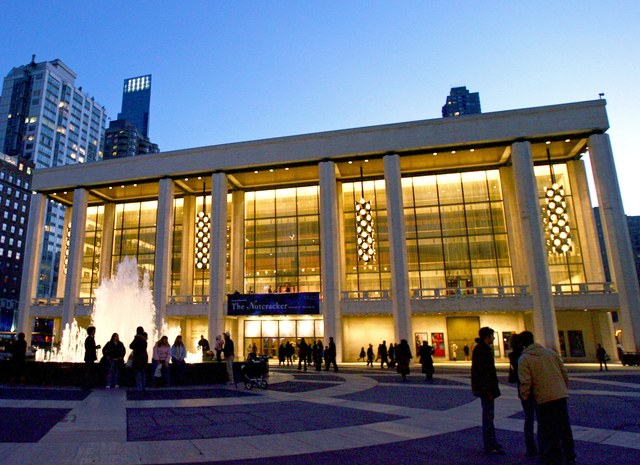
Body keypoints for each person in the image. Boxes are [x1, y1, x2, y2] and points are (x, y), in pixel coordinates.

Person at [518, 331, 576, 465]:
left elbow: (525, 382)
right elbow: (564, 373)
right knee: (564, 427)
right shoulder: (551, 353)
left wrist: (525, 397)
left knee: (546, 429)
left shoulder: (524, 358)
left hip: (543, 398)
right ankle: (569, 455)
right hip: (560, 395)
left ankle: (551, 456)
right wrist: (562, 388)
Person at [471, 326, 504, 455]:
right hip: (486, 389)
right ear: (487, 336)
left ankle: (492, 442)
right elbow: (482, 372)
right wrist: (488, 390)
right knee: (488, 417)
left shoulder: (482, 349)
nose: (493, 338)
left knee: (489, 416)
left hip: (486, 388)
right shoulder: (482, 350)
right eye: (492, 336)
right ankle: (490, 444)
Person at [508, 333, 538, 457]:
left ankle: (530, 447)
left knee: (529, 418)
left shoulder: (513, 355)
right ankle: (542, 446)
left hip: (522, 390)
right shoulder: (524, 356)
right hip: (532, 389)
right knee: (540, 418)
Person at [130, 327, 148, 392]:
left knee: (138, 373)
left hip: (137, 358)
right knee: (143, 373)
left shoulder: (137, 339)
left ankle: (139, 387)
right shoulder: (144, 339)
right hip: (144, 357)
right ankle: (143, 387)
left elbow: (131, 346)